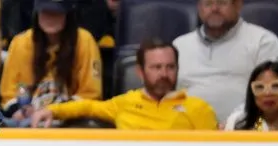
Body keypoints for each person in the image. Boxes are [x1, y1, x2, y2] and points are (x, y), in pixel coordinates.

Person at [30, 38, 217, 130]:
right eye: (156, 67)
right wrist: (52, 110)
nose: (164, 74)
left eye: (170, 67)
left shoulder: (198, 108)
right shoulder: (125, 103)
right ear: (140, 72)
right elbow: (89, 106)